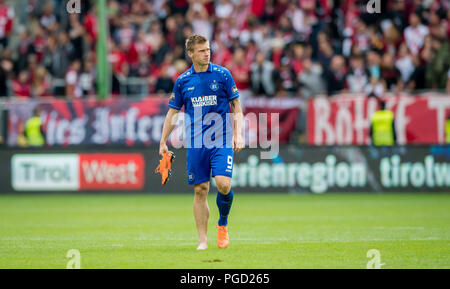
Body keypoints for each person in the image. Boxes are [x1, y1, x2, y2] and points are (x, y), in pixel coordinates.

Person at [159, 34, 244, 250]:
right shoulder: (182, 81)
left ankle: (222, 223)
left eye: (208, 49)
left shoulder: (223, 75)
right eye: (202, 50)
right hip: (197, 142)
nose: (207, 53)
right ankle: (202, 240)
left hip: (221, 138)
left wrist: (238, 134)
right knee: (200, 190)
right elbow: (172, 114)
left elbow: (237, 107)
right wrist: (162, 142)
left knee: (224, 185)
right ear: (191, 54)